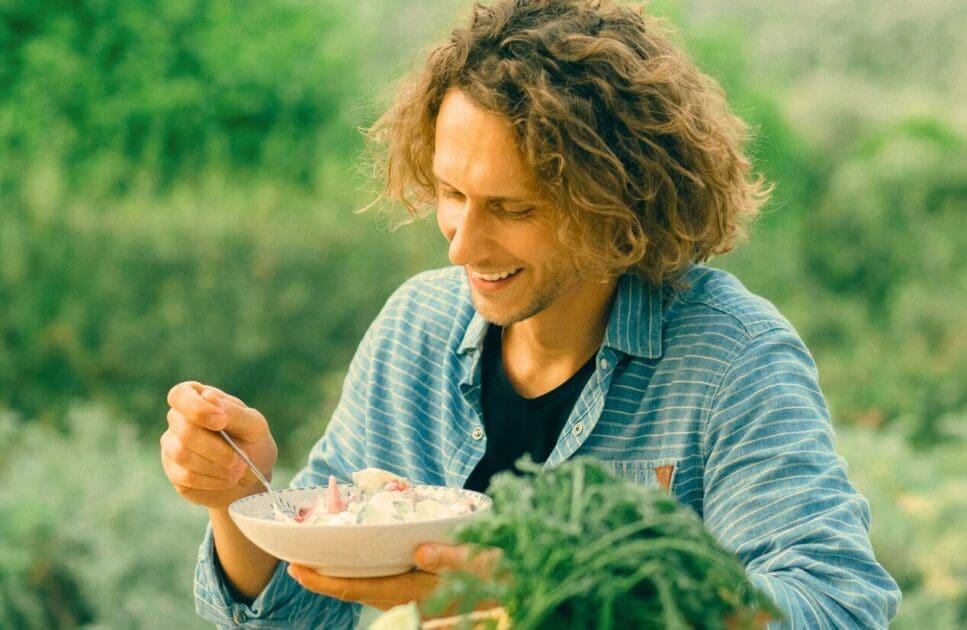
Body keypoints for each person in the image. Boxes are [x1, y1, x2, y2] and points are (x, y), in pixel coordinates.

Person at [160, 1, 901, 627]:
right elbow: (299, 612)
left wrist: (546, 587)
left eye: (512, 209)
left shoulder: (730, 356)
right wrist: (239, 498)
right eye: (451, 194)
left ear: (613, 201)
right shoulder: (414, 328)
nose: (462, 246)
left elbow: (836, 604)